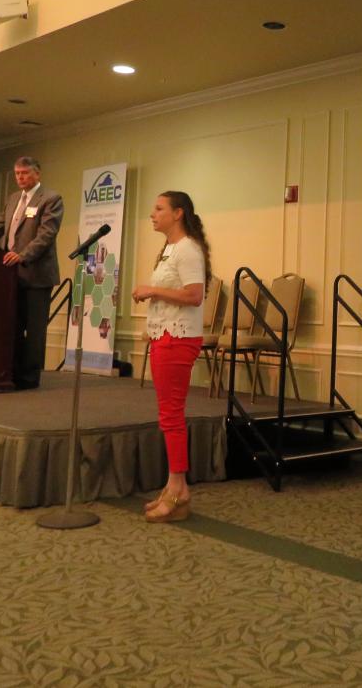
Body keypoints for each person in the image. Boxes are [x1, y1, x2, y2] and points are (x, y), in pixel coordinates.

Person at [132, 191, 210, 524]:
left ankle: (179, 491)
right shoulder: (169, 249)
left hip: (178, 338)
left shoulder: (188, 248)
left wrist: (152, 290)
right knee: (168, 415)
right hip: (165, 335)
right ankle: (172, 487)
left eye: (159, 208)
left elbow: (194, 295)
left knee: (172, 415)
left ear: (178, 213)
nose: (153, 214)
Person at [0, 156, 63, 389]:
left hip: (36, 275)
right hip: (10, 276)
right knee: (13, 326)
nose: (20, 177)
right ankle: (12, 373)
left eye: (25, 173)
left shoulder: (51, 199)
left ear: (37, 174)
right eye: (17, 173)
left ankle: (29, 378)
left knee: (34, 330)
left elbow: (46, 235)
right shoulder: (13, 199)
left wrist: (23, 255)